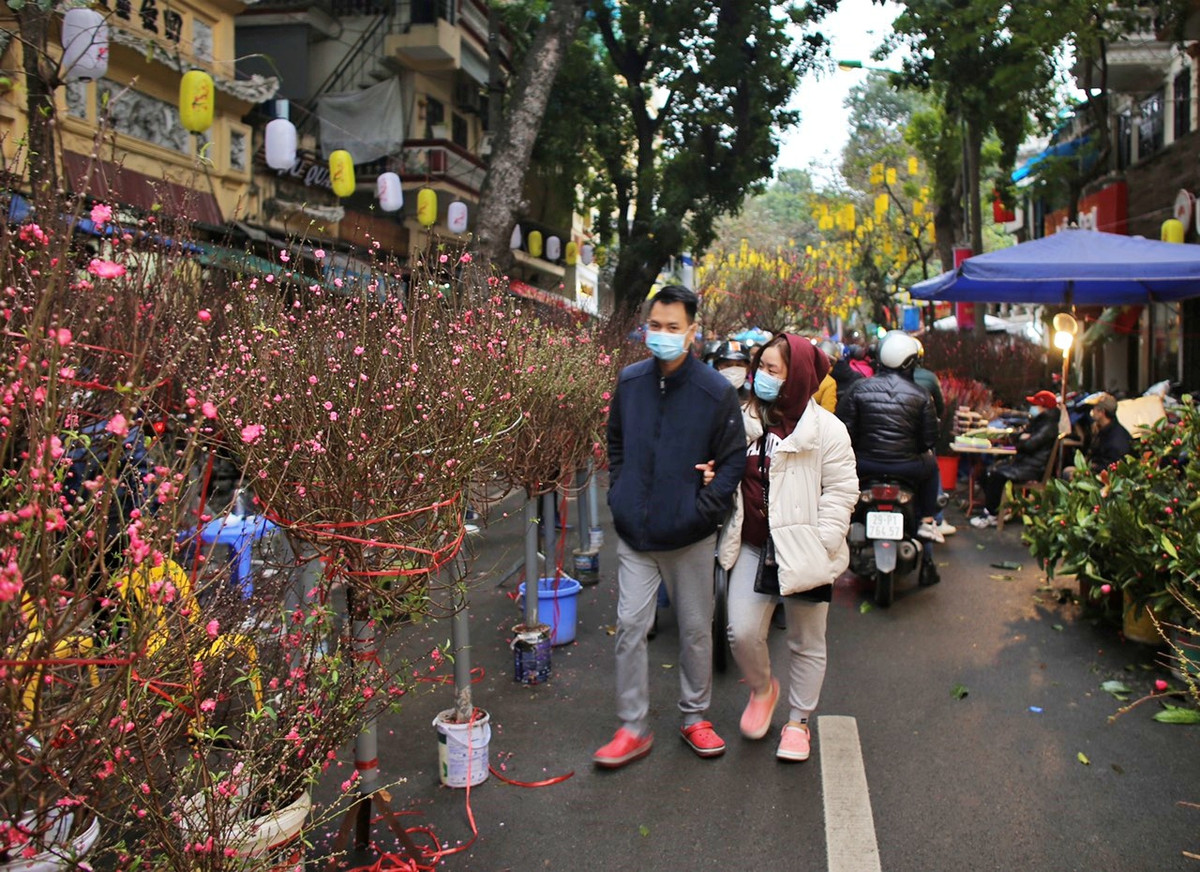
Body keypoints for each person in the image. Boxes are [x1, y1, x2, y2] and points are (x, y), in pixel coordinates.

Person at [597, 285, 746, 769]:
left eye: (673, 328)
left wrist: (702, 511)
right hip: (636, 533)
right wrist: (619, 494)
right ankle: (632, 727)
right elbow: (615, 443)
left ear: (692, 332)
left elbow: (731, 462)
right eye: (655, 326)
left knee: (696, 632)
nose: (662, 335)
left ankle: (694, 716)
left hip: (690, 536)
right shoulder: (630, 381)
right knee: (630, 628)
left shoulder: (715, 391)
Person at [718, 335, 858, 762]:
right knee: (740, 631)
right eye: (760, 366)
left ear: (796, 376)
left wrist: (822, 543)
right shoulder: (743, 419)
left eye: (772, 370)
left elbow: (841, 491)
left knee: (806, 640)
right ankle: (763, 689)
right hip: (754, 545)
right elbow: (721, 465)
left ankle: (799, 721)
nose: (761, 376)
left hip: (806, 551)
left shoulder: (827, 431)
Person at [836, 331, 943, 544]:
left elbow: (842, 430)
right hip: (908, 467)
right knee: (932, 465)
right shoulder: (921, 395)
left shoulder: (859, 388)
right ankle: (928, 520)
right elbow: (929, 440)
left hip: (863, 465)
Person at [969, 389, 1061, 528]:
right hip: (1023, 463)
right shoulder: (1039, 422)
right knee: (985, 472)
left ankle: (992, 514)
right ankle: (997, 509)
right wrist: (1022, 438)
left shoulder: (1048, 426)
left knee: (996, 475)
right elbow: (1019, 436)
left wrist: (1023, 439)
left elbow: (1029, 445)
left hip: (1031, 467)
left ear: (1044, 407)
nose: (1033, 408)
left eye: (1036, 405)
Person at [1083, 392, 1132, 471]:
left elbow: (1112, 465)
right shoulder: (1100, 429)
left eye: (1094, 408)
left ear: (1101, 412)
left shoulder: (1116, 438)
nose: (1092, 411)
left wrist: (1091, 468)